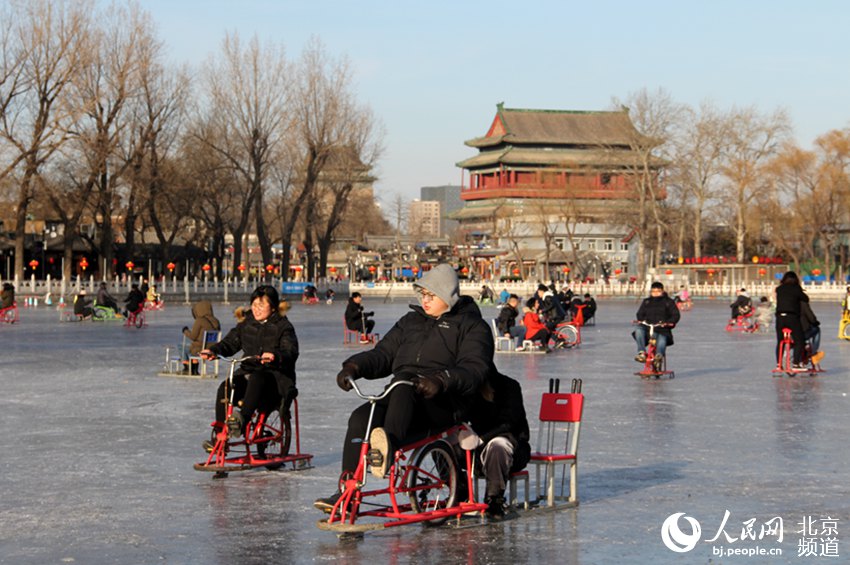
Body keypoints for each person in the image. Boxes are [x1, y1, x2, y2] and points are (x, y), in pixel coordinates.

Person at [314, 264, 494, 512]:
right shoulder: (411, 321)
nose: (425, 299)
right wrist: (354, 367)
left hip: (443, 401)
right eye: (422, 294)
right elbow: (384, 354)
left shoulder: (472, 326)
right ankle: (348, 492)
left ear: (447, 295)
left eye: (431, 295)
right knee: (361, 418)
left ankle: (388, 445)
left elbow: (475, 368)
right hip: (402, 396)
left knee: (403, 384)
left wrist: (441, 380)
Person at [201, 286, 299, 440]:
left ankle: (242, 421)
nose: (256, 309)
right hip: (249, 373)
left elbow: (290, 351)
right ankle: (220, 433)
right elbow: (229, 343)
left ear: (272, 307)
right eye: (254, 305)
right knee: (226, 387)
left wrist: (275, 355)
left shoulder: (283, 327)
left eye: (261, 305)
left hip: (275, 378)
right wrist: (214, 351)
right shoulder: (247, 324)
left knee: (257, 378)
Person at [466, 372, 531, 520]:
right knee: (443, 443)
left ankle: (494, 499)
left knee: (498, 447)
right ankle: (459, 491)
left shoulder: (509, 386)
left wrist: (481, 439)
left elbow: (509, 422)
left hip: (511, 446)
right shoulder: (470, 388)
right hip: (477, 450)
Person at [633, 282, 680, 369]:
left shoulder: (668, 302)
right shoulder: (646, 302)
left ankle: (659, 356)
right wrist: (642, 320)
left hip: (662, 328)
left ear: (662, 291)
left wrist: (668, 322)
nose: (655, 293)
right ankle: (642, 353)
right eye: (653, 291)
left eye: (658, 291)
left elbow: (675, 315)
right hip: (648, 327)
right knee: (638, 329)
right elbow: (640, 313)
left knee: (662, 337)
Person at [775, 271, 809, 370]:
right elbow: (805, 299)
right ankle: (795, 364)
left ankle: (778, 364)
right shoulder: (796, 288)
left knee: (780, 341)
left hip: (780, 318)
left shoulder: (779, 289)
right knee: (800, 341)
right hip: (792, 317)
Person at [180, 300, 221, 375]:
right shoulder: (216, 321)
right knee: (192, 348)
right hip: (213, 348)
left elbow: (193, 336)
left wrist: (185, 331)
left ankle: (188, 367)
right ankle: (192, 368)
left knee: (182, 347)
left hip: (201, 348)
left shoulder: (200, 320)